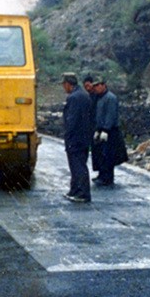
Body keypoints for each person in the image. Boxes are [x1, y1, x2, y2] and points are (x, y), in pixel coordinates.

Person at [61, 72, 92, 203]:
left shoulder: (73, 98)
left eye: (64, 85)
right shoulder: (84, 95)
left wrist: (67, 134)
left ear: (68, 84)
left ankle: (82, 193)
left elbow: (72, 119)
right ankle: (74, 190)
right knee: (79, 164)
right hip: (84, 136)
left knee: (77, 166)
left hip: (75, 137)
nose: (64, 88)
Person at [92, 77, 127, 186]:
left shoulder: (110, 98)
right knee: (101, 154)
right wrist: (98, 129)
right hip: (102, 130)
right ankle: (102, 175)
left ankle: (107, 178)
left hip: (110, 131)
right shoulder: (100, 98)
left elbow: (110, 115)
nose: (96, 88)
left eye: (98, 85)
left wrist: (106, 129)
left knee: (108, 155)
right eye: (95, 86)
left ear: (103, 85)